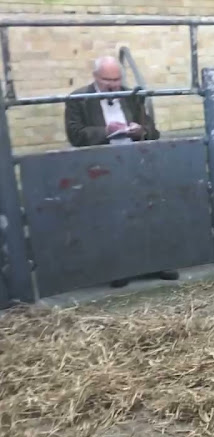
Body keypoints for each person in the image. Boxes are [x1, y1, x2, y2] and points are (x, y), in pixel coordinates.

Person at [64, 56, 178, 288]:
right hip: (100, 167)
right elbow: (75, 135)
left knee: (149, 212)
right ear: (96, 77)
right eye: (107, 80)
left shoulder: (131, 96)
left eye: (117, 79)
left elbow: (153, 131)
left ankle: (157, 263)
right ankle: (119, 267)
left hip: (134, 163)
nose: (113, 85)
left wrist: (140, 131)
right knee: (110, 217)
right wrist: (105, 131)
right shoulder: (79, 99)